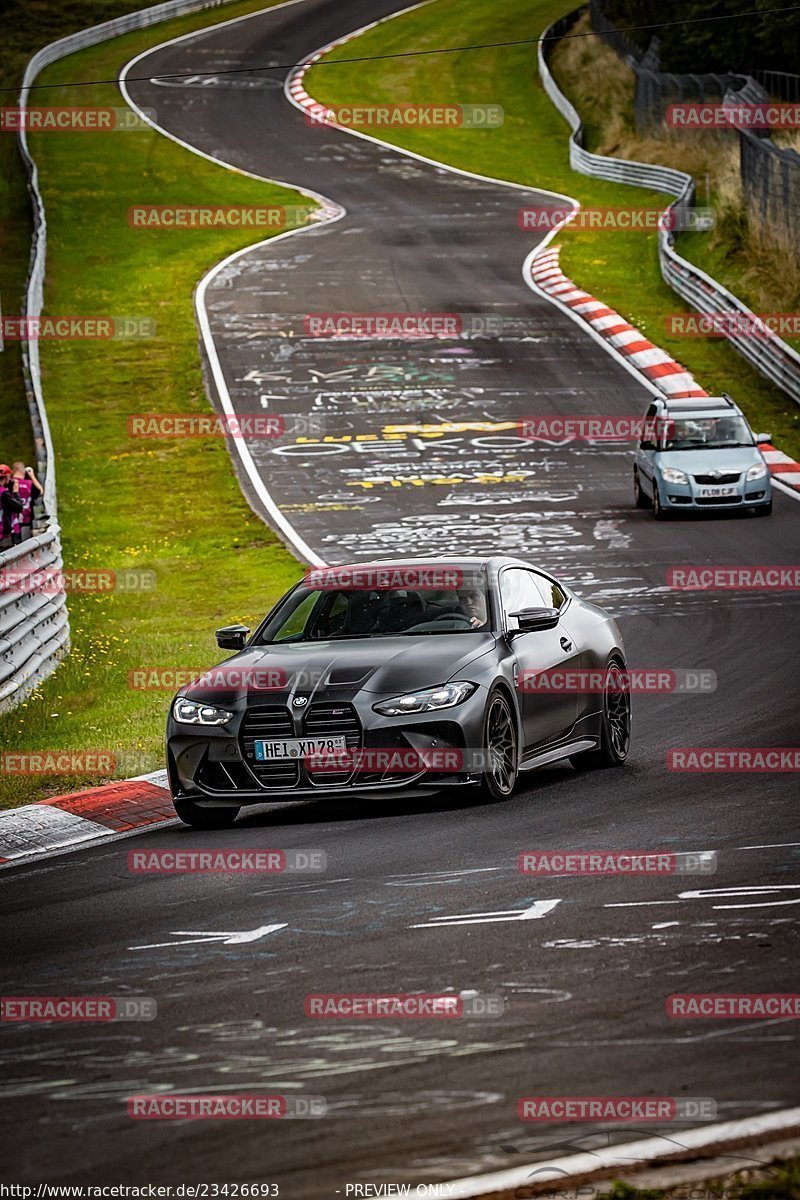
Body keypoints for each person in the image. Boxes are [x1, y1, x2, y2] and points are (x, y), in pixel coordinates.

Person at [11, 462, 44, 540]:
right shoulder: (29, 484)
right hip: (26, 520)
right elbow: (41, 491)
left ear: (13, 471)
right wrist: (32, 476)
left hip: (10, 522)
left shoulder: (8, 483)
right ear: (24, 472)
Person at [0, 465, 24, 548]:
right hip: (3, 535)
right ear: (7, 476)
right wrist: (16, 492)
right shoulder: (4, 494)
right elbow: (19, 507)